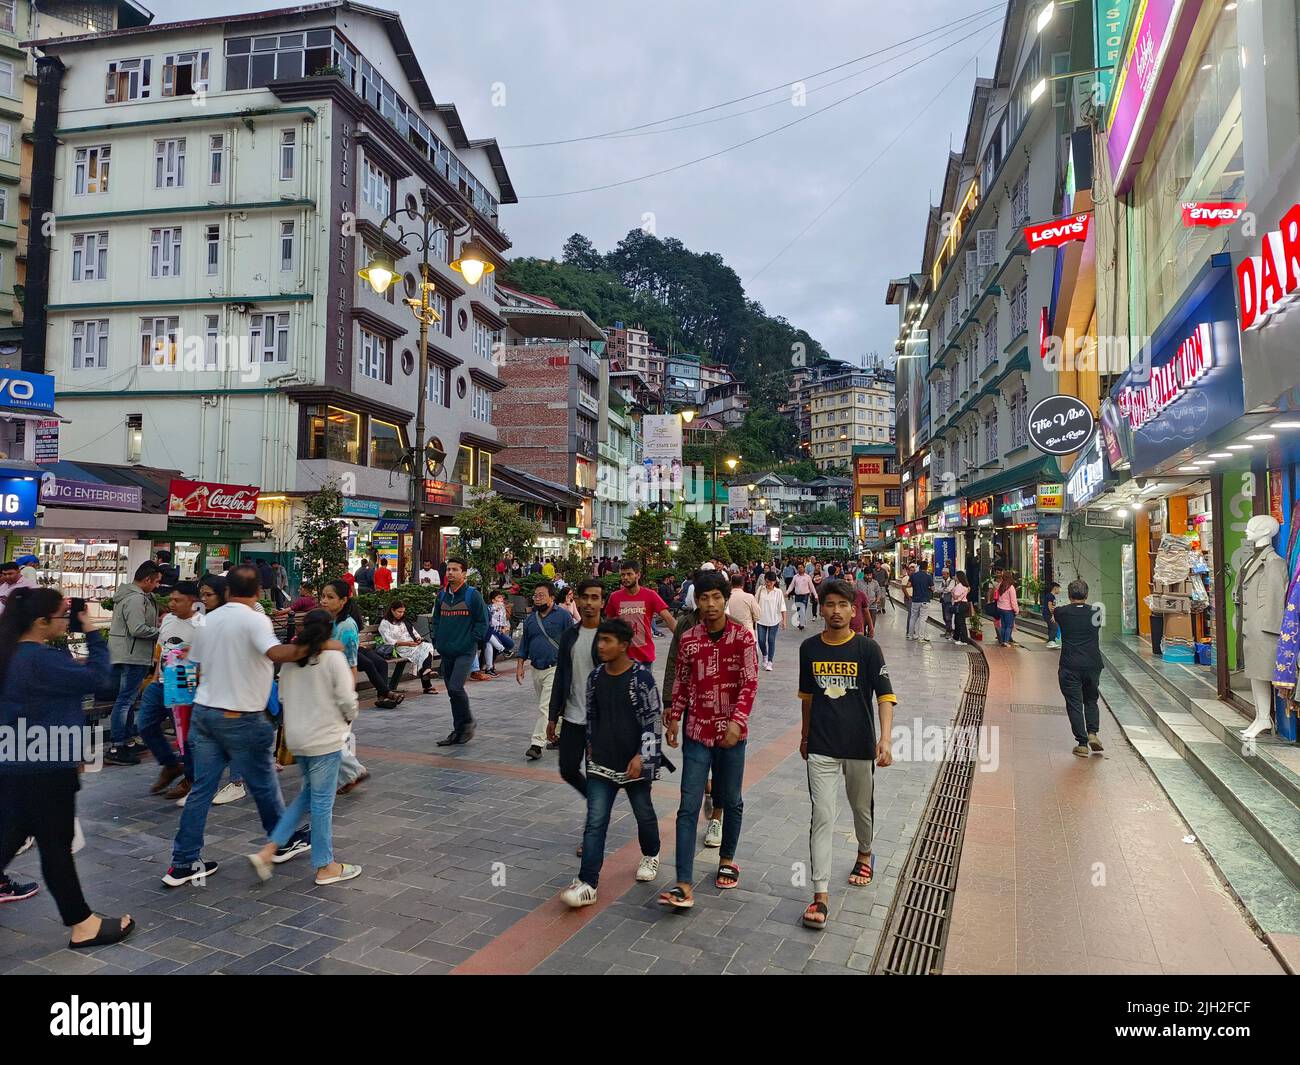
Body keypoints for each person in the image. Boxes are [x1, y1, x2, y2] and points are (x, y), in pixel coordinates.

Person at [0, 588, 136, 945]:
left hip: (13, 764)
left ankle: (82, 920)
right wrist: (91, 631)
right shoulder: (41, 660)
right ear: (41, 622)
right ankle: (82, 924)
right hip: (44, 769)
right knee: (55, 847)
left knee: (13, 838)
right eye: (61, 615)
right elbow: (99, 678)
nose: (66, 620)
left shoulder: (9, 653)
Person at [163, 565, 312, 888]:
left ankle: (183, 862)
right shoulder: (255, 618)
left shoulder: (208, 620)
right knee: (263, 783)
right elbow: (274, 652)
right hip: (241, 715)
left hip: (205, 713)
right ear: (258, 591)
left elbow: (196, 666)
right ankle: (282, 839)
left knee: (202, 789)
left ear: (227, 591)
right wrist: (314, 646)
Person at [798, 580, 896, 931]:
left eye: (843, 604)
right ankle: (820, 894)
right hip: (822, 747)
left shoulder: (868, 650)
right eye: (830, 604)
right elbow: (807, 698)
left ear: (854, 610)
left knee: (860, 809)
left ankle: (865, 853)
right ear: (821, 608)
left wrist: (885, 739)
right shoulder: (809, 649)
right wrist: (805, 736)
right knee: (822, 816)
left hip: (859, 746)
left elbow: (885, 696)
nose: (836, 611)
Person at [659, 570, 759, 910]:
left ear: (725, 598)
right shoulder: (689, 639)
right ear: (697, 601)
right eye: (704, 598)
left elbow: (749, 683)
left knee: (731, 799)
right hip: (697, 733)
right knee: (688, 805)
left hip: (732, 735)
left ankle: (727, 859)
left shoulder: (742, 638)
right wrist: (674, 717)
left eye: (717, 597)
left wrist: (738, 721)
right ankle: (683, 883)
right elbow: (683, 681)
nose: (711, 604)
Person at [247, 608, 362, 886]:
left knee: (308, 796)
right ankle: (326, 866)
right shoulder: (333, 658)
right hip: (325, 739)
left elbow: (283, 697)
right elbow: (347, 699)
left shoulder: (291, 661)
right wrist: (349, 716)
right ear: (329, 630)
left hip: (297, 739)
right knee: (322, 804)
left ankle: (269, 850)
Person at [559, 618, 664, 908]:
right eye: (599, 640)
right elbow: (592, 715)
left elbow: (653, 720)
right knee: (595, 822)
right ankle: (588, 883)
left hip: (632, 764)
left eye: (607, 641)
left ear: (624, 645)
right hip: (601, 764)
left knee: (643, 812)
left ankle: (651, 853)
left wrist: (642, 756)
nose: (601, 645)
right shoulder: (595, 677)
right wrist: (591, 748)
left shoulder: (641, 678)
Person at [547, 579, 604, 847]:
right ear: (577, 601)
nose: (589, 603)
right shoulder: (570, 634)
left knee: (595, 775)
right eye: (585, 598)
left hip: (599, 722)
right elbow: (561, 675)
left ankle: (591, 836)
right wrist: (552, 715)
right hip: (571, 716)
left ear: (602, 601)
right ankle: (598, 803)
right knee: (568, 768)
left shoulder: (609, 635)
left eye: (595, 597)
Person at [138, 582, 203, 800]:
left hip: (185, 682)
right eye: (171, 599)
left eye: (178, 600)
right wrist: (156, 676)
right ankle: (170, 764)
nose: (172, 604)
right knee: (145, 725)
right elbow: (162, 649)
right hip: (161, 681)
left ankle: (190, 778)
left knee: (183, 735)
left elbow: (208, 655)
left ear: (193, 601)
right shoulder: (167, 620)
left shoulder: (202, 624)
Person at [105, 560, 163, 766]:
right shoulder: (136, 599)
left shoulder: (131, 596)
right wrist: (161, 632)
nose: (157, 586)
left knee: (128, 700)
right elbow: (137, 628)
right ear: (147, 579)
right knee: (125, 701)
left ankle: (127, 741)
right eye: (156, 582)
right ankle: (117, 744)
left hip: (125, 653)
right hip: (132, 654)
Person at [321, 580, 401, 714]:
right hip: (329, 674)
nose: (323, 601)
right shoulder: (326, 617)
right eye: (322, 596)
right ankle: (386, 693)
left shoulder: (346, 625)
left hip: (339, 672)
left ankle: (383, 694)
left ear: (343, 600)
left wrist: (348, 700)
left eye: (330, 597)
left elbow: (351, 665)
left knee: (379, 662)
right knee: (369, 663)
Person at [432, 557, 488, 747]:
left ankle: (467, 723)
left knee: (456, 687)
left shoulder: (473, 596)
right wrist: (438, 640)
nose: (450, 573)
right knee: (451, 692)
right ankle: (459, 730)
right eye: (448, 569)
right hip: (446, 651)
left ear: (464, 573)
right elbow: (436, 620)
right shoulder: (442, 596)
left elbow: (482, 622)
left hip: (465, 651)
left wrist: (471, 640)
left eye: (455, 569)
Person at [517, 582, 574, 761]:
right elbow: (524, 644)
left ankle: (536, 744)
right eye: (535, 595)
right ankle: (559, 734)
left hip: (556, 668)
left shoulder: (563, 616)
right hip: (536, 668)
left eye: (541, 595)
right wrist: (520, 666)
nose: (537, 598)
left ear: (552, 597)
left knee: (545, 707)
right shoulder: (531, 619)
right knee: (551, 707)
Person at [1055, 579, 1105, 757]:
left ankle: (1082, 743)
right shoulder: (1096, 611)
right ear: (1087, 594)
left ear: (1069, 595)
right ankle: (1093, 733)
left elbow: (1056, 619)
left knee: (1074, 703)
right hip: (1093, 663)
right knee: (1091, 699)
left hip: (1070, 664)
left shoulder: (1061, 612)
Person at [605, 560, 675, 666]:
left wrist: (682, 639)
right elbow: (608, 623)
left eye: (629, 574)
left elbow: (668, 618)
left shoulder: (650, 595)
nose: (625, 578)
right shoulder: (614, 597)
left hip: (644, 658)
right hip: (621, 658)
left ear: (638, 575)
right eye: (623, 575)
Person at [379, 601, 440, 694]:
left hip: (411, 645)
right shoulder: (385, 623)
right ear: (392, 610)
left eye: (403, 612)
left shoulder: (404, 621)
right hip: (398, 648)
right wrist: (406, 643)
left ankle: (427, 671)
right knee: (422, 652)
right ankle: (427, 684)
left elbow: (414, 633)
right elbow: (388, 641)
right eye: (399, 612)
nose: (401, 614)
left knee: (427, 646)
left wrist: (418, 639)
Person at [754, 571, 787, 671]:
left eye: (772, 582)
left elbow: (782, 606)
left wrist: (784, 621)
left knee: (771, 640)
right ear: (765, 580)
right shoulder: (760, 589)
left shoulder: (778, 592)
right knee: (761, 640)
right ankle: (764, 654)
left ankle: (770, 661)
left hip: (774, 620)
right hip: (761, 619)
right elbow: (754, 603)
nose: (769, 584)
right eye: (768, 581)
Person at [483, 590, 516, 676]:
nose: (501, 599)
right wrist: (494, 607)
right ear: (493, 600)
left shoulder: (502, 608)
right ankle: (489, 668)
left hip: (497, 632)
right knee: (488, 643)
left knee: (510, 643)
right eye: (499, 597)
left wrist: (504, 627)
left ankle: (502, 650)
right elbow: (486, 613)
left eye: (502, 597)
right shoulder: (489, 607)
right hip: (489, 630)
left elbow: (503, 620)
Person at [906, 559, 934, 642]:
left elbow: (908, 585)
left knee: (913, 618)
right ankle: (921, 637)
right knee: (923, 619)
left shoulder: (913, 575)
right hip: (925, 600)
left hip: (915, 600)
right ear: (926, 567)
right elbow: (933, 588)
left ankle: (910, 635)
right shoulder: (928, 576)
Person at [993, 571, 1019, 647]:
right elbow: (1013, 601)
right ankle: (1006, 641)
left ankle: (1003, 640)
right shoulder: (1011, 588)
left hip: (1000, 608)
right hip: (1008, 610)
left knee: (1003, 626)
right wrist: (1016, 610)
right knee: (1009, 626)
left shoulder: (999, 586)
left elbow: (996, 597)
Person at [788, 563, 814, 630]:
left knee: (803, 609)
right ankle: (800, 622)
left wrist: (815, 595)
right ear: (797, 569)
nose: (800, 569)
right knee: (799, 610)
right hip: (797, 595)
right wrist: (787, 592)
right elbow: (791, 585)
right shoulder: (795, 577)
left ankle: (802, 624)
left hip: (805, 595)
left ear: (804, 568)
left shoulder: (807, 577)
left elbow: (812, 587)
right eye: (799, 567)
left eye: (801, 567)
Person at [951, 571, 972, 645]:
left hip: (960, 604)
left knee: (960, 622)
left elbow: (955, 596)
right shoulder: (966, 586)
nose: (955, 577)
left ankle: (964, 640)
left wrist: (952, 593)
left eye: (956, 576)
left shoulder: (959, 586)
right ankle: (956, 637)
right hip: (963, 604)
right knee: (958, 621)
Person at [1042, 581, 1061, 648]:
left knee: (1051, 627)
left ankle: (1050, 641)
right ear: (1055, 588)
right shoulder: (1051, 596)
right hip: (1048, 614)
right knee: (1054, 627)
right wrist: (1053, 615)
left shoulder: (1050, 596)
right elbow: (1050, 607)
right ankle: (1052, 641)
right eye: (1058, 588)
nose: (1059, 590)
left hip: (1046, 614)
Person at [939, 567, 957, 638]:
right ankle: (947, 630)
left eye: (944, 574)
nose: (943, 576)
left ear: (948, 574)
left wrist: (943, 589)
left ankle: (949, 632)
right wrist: (944, 589)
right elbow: (938, 589)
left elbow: (949, 589)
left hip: (949, 601)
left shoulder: (952, 581)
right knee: (944, 617)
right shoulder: (943, 581)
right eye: (942, 574)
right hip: (943, 601)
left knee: (948, 617)